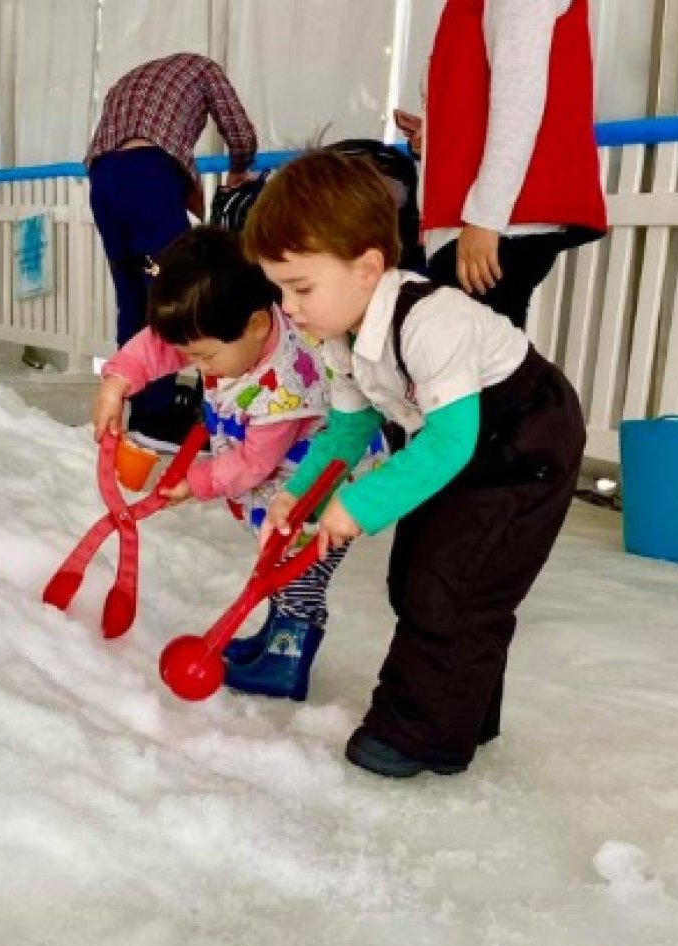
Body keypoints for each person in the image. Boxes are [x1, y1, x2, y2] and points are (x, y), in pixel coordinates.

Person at [245, 150, 585, 778]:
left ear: (368, 267)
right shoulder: (343, 338)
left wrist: (360, 503)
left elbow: (452, 442)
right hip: (454, 445)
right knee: (415, 578)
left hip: (524, 442)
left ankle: (420, 733)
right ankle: (466, 710)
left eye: (301, 288)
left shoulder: (433, 321)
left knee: (453, 584)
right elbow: (345, 433)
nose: (288, 308)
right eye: (279, 289)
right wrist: (299, 499)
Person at [92, 226, 382, 702]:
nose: (196, 366)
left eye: (203, 356)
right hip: (283, 485)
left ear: (255, 326)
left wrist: (194, 481)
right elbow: (160, 346)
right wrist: (118, 381)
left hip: (321, 489)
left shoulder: (281, 386)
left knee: (296, 571)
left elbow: (252, 464)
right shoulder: (228, 329)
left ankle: (287, 661)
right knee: (275, 562)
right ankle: (273, 639)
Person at [393, 0, 606, 330]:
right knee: (481, 362)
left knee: (476, 366)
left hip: (494, 225)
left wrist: (486, 217)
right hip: (485, 223)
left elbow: (519, 98)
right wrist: (433, 133)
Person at [85, 53, 257, 451]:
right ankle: (164, 419)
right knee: (182, 291)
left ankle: (138, 405)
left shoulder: (128, 77)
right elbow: (239, 131)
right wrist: (238, 169)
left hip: (101, 178)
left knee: (133, 296)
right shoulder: (203, 69)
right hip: (147, 172)